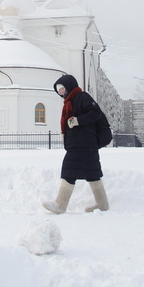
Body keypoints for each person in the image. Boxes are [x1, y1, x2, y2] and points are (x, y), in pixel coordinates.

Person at [42, 74, 110, 214]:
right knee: (92, 173)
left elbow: (95, 112)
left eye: (63, 89)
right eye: (59, 90)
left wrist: (78, 120)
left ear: (70, 86)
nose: (61, 92)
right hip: (81, 143)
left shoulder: (82, 97)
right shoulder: (68, 102)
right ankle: (103, 205)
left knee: (69, 170)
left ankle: (60, 205)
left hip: (84, 142)